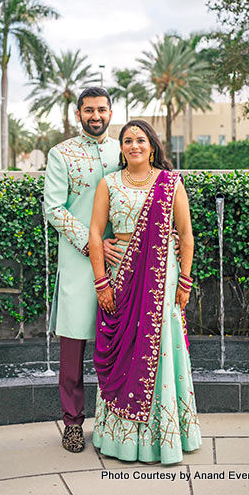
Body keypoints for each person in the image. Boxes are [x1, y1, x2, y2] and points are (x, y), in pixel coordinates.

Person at [88, 119, 202, 464]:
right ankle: (120, 438)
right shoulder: (108, 183)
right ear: (120, 149)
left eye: (140, 139)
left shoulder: (170, 183)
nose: (133, 145)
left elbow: (186, 235)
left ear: (152, 146)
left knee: (161, 346)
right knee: (125, 347)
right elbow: (95, 234)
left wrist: (185, 280)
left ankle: (163, 438)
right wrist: (101, 281)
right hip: (121, 274)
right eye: (127, 140)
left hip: (161, 278)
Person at [44, 87, 123, 453]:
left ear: (111, 111)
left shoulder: (125, 148)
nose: (96, 116)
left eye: (102, 109)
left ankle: (117, 423)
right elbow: (54, 209)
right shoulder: (61, 154)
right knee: (73, 350)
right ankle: (73, 424)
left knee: (122, 347)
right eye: (88, 110)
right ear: (79, 114)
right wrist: (93, 244)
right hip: (79, 265)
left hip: (122, 261)